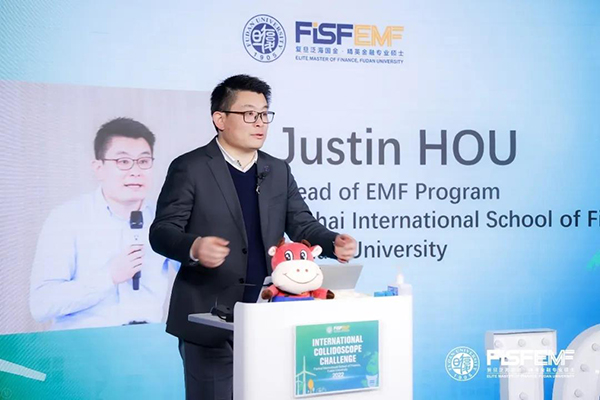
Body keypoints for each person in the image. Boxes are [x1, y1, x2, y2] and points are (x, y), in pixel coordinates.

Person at [149, 74, 357, 399]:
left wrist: (333, 242)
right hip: (208, 316)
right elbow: (162, 232)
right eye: (248, 114)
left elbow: (302, 225)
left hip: (268, 314)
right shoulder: (190, 167)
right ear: (220, 119)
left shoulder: (278, 170)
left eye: (264, 114)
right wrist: (194, 246)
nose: (259, 122)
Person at [30, 117, 178, 330]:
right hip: (83, 344)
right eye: (123, 162)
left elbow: (199, 275)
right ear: (98, 168)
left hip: (146, 342)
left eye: (144, 161)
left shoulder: (165, 219)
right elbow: (41, 305)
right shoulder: (66, 218)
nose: (136, 171)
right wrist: (109, 277)